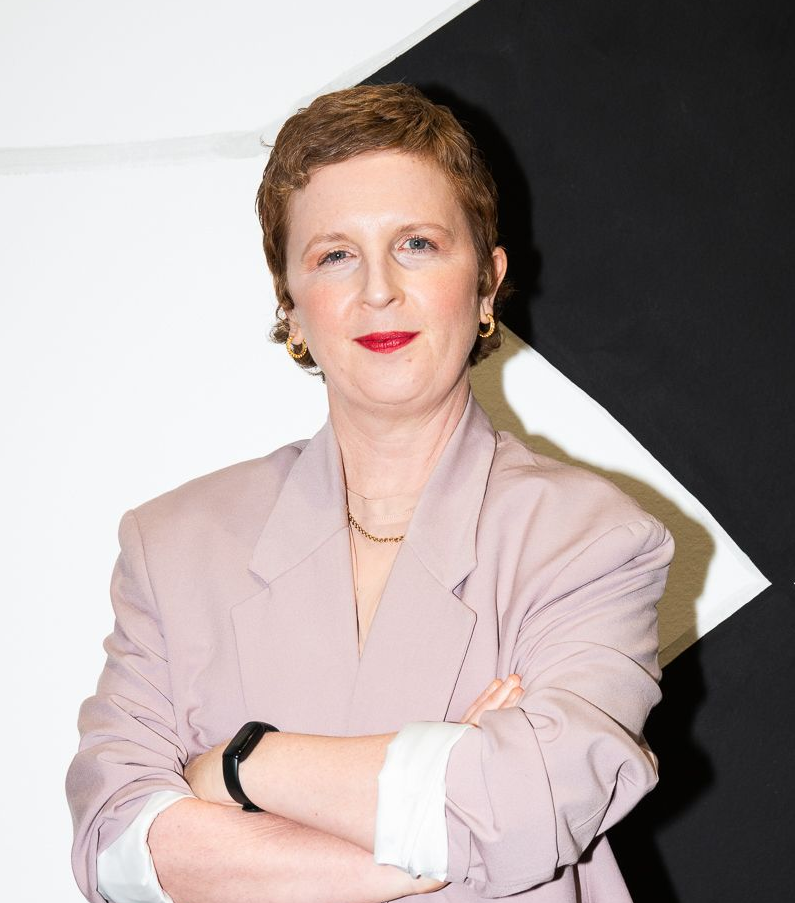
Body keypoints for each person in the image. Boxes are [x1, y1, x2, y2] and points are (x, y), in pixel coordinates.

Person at [66, 83, 675, 903]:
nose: (378, 289)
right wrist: (443, 825)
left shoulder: (592, 538)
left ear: (487, 283)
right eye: (333, 254)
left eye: (417, 244)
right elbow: (118, 850)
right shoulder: (171, 543)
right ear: (290, 305)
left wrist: (239, 766)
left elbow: (529, 806)